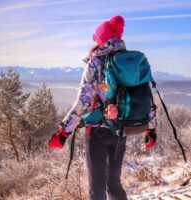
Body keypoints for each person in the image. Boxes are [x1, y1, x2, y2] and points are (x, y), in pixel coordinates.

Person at [47, 15, 157, 200]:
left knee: (97, 189)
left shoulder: (96, 61)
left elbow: (84, 100)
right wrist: (151, 129)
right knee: (114, 184)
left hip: (97, 132)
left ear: (102, 39)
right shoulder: (132, 61)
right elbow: (147, 95)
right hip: (121, 129)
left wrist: (64, 131)